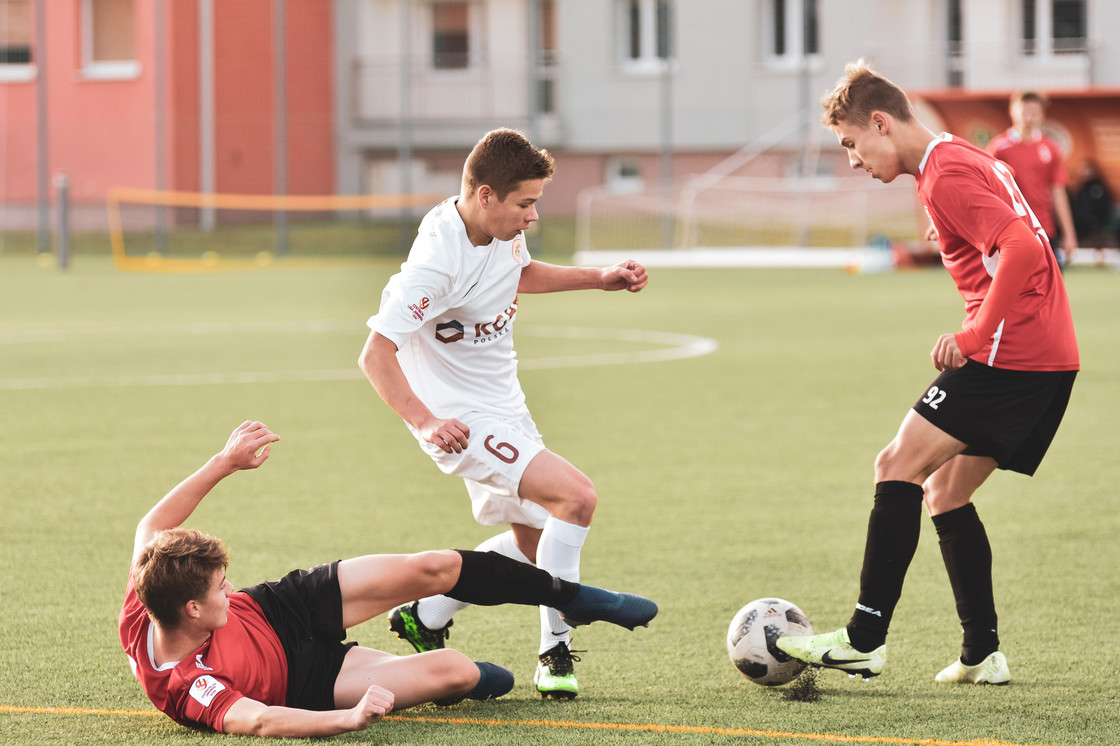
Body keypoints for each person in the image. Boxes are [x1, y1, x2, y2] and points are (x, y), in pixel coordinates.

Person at [776, 61, 1079, 685]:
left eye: (851, 144)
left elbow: (1022, 247)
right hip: (1046, 356)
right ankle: (982, 651)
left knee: (896, 465)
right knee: (947, 492)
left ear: (881, 123)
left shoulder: (944, 173)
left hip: (1011, 356)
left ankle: (863, 638)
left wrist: (972, 335)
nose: (853, 159)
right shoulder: (956, 159)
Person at [119, 420, 657, 736]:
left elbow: (152, 525)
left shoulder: (151, 590)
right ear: (191, 609)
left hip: (285, 608)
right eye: (219, 589)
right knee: (457, 672)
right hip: (307, 681)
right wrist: (347, 720)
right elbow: (258, 720)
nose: (229, 590)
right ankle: (454, 667)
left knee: (431, 567)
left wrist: (225, 461)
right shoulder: (186, 683)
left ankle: (571, 598)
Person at [358, 127, 650, 699]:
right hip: (460, 421)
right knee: (576, 498)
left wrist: (600, 279)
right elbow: (375, 354)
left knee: (535, 537)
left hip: (505, 405)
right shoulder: (435, 264)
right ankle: (556, 649)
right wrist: (426, 422)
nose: (533, 216)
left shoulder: (496, 230)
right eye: (525, 203)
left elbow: (516, 274)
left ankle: (428, 613)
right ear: (485, 194)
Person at [986, 90, 1078, 268]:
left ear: (1042, 115)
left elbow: (1058, 192)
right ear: (1012, 112)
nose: (1028, 118)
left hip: (1045, 228)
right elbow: (985, 188)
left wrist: (1069, 233)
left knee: (1051, 290)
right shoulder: (999, 148)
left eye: (1033, 113)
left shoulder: (1050, 148)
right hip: (1011, 229)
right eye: (1023, 113)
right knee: (1017, 290)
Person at [1071, 159, 1115, 266]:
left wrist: (1092, 219)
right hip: (1080, 222)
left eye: (1085, 169)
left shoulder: (1099, 188)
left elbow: (1104, 208)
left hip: (1096, 223)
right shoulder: (1082, 188)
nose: (1081, 171)